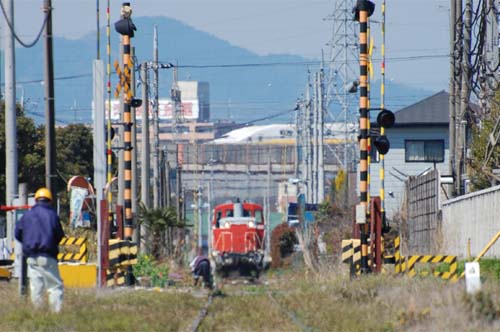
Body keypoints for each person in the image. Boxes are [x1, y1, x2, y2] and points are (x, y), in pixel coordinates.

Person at [15, 188, 65, 313]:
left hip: (31, 257)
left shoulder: (27, 215)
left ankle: (38, 314)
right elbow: (59, 234)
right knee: (54, 286)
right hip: (48, 256)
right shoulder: (52, 215)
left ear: (36, 200)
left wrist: (28, 244)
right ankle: (56, 313)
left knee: (36, 287)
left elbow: (17, 233)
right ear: (50, 201)